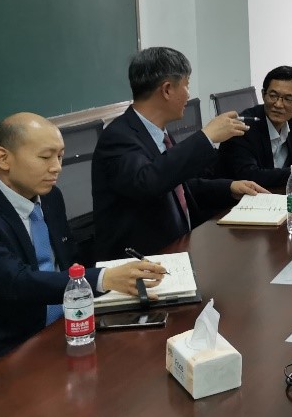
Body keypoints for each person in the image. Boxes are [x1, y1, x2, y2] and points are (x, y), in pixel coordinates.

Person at [0, 113, 167, 356]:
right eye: (45, 157)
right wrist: (104, 279)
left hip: (66, 327)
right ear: (3, 158)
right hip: (7, 347)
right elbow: (17, 282)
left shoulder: (50, 197)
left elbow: (70, 261)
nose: (57, 167)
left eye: (59, 156)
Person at [92, 47, 265, 260]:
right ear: (167, 90)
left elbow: (177, 186)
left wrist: (229, 187)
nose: (188, 94)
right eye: (187, 85)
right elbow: (149, 182)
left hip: (179, 249)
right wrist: (206, 137)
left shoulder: (158, 132)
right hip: (140, 261)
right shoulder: (118, 136)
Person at [218, 66, 292, 187]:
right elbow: (249, 176)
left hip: (281, 194)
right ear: (263, 95)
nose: (278, 104)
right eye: (273, 96)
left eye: (288, 99)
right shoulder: (242, 128)